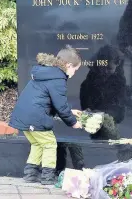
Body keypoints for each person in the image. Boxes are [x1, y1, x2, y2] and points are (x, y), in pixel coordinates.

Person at [9, 45, 83, 185]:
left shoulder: (46, 73)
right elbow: (60, 105)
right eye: (75, 69)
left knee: (37, 143)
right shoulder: (58, 78)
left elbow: (46, 100)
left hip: (25, 116)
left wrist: (70, 111)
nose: (74, 73)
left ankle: (30, 174)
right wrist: (73, 122)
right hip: (36, 118)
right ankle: (48, 177)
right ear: (68, 65)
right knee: (49, 144)